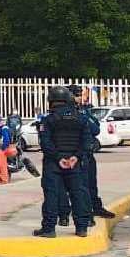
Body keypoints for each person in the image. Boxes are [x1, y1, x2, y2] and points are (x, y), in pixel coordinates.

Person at [34, 86, 91, 238]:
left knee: (51, 194)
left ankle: (49, 229)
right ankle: (81, 228)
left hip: (54, 163)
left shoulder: (49, 120)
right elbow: (87, 142)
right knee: (77, 194)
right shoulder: (81, 118)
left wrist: (59, 158)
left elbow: (45, 143)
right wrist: (76, 157)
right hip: (74, 163)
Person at [70, 85, 115, 219]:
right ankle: (84, 211)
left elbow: (96, 127)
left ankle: (95, 207)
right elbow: (93, 128)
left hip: (88, 152)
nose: (79, 98)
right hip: (77, 153)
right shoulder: (71, 112)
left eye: (79, 94)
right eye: (76, 95)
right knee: (80, 185)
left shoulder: (83, 111)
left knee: (91, 183)